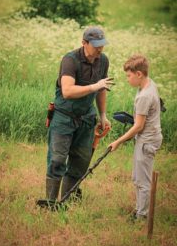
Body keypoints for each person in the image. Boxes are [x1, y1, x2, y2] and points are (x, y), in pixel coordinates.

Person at [45, 26, 114, 202]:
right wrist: (94, 86)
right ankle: (51, 202)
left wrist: (103, 114)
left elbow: (102, 88)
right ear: (84, 43)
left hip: (86, 118)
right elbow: (67, 91)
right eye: (96, 45)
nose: (100, 48)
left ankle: (66, 202)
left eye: (102, 45)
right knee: (57, 160)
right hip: (64, 116)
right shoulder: (70, 60)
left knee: (81, 162)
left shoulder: (103, 60)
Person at [109, 54, 162, 220]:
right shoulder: (149, 85)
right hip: (147, 137)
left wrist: (117, 141)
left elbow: (138, 126)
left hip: (147, 140)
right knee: (137, 176)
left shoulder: (145, 96)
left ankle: (141, 216)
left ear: (139, 74)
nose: (127, 79)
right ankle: (140, 210)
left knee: (143, 181)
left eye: (128, 75)